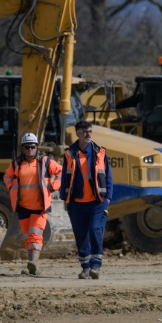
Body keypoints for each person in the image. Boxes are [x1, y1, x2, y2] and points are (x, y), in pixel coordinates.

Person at [3, 132, 63, 275]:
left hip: (39, 207)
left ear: (37, 147)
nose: (30, 149)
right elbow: (6, 176)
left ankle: (34, 263)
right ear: (23, 148)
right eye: (27, 147)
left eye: (33, 147)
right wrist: (11, 187)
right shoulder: (16, 164)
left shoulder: (45, 162)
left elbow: (61, 171)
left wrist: (54, 186)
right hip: (23, 207)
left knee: (35, 235)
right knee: (27, 237)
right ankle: (31, 265)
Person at [59, 120, 113, 280]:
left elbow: (108, 176)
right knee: (81, 235)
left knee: (95, 230)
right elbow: (64, 178)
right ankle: (85, 267)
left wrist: (108, 197)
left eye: (90, 131)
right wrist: (64, 198)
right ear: (77, 133)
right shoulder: (69, 153)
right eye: (84, 131)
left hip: (97, 202)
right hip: (76, 203)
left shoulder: (100, 152)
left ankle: (96, 265)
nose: (88, 134)